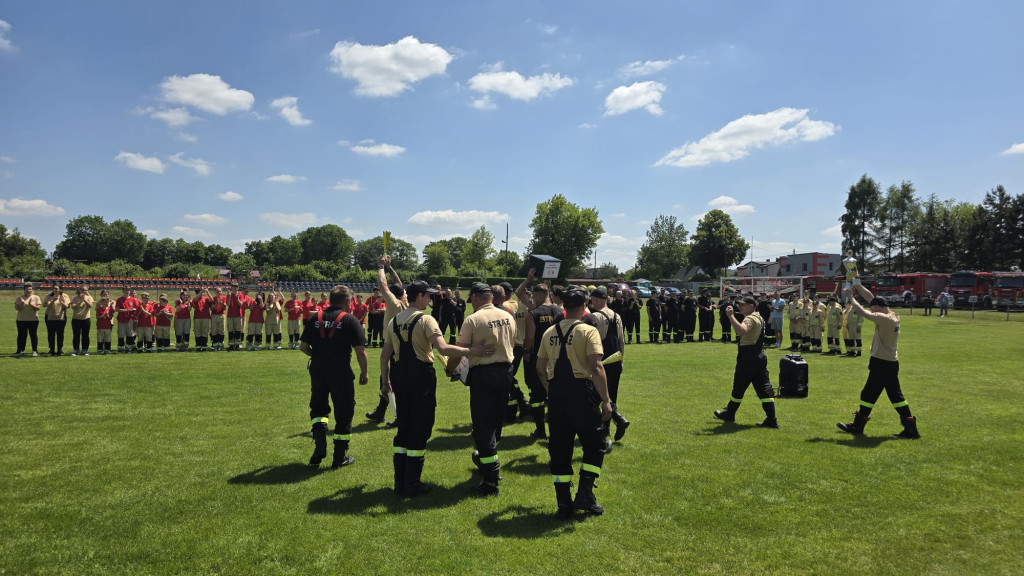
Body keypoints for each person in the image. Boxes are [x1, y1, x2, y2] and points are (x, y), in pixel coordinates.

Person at [380, 281, 491, 497]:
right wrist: (472, 350)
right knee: (421, 426)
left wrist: (385, 383)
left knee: (404, 425)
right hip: (420, 375)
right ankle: (412, 483)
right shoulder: (426, 320)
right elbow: (443, 348)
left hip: (399, 375)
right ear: (419, 296)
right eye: (428, 296)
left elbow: (385, 356)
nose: (430, 300)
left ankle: (399, 482)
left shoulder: (394, 320)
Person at [535, 286, 613, 519]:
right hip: (582, 392)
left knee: (559, 449)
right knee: (594, 444)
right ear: (583, 306)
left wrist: (551, 387)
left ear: (564, 306)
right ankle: (585, 495)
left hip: (557, 394)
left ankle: (563, 504)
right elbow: (596, 367)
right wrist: (607, 401)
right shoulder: (588, 331)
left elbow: (540, 368)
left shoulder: (549, 332)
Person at [447, 283, 516, 496]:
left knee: (483, 425)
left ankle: (490, 481)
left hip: (483, 375)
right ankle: (488, 463)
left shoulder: (473, 319)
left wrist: (450, 369)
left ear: (476, 298)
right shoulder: (508, 316)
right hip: (506, 372)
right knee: (496, 422)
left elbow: (458, 351)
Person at [837, 284, 920, 439]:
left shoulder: (884, 319)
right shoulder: (893, 315)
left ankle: (857, 425)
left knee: (868, 394)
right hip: (890, 363)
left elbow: (863, 312)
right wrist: (857, 284)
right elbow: (871, 298)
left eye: (873, 308)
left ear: (878, 307)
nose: (872, 310)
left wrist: (851, 298)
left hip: (881, 363)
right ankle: (910, 428)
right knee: (896, 397)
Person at [300, 285, 369, 468]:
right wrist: (364, 372)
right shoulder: (350, 320)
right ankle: (339, 457)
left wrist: (317, 355)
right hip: (340, 372)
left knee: (319, 410)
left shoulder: (315, 317)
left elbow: (303, 347)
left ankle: (320, 444)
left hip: (318, 370)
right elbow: (361, 351)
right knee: (344, 412)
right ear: (347, 301)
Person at [713, 296, 779, 428]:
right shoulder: (759, 316)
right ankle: (772, 419)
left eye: (743, 305)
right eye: (739, 304)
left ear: (751, 306)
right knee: (764, 388)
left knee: (739, 386)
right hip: (759, 355)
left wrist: (731, 316)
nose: (739, 306)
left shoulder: (750, 318)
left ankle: (730, 414)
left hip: (748, 356)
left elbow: (741, 330)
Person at [366, 256, 408, 426]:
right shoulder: (404, 300)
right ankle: (381, 411)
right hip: (401, 346)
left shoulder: (395, 304)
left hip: (393, 346)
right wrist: (390, 268)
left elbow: (383, 286)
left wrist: (381, 266)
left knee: (391, 380)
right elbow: (398, 284)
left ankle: (399, 416)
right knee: (386, 378)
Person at [589, 287, 629, 444]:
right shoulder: (617, 316)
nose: (591, 302)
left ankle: (609, 425)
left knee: (596, 395)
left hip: (602, 361)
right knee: (611, 394)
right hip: (616, 359)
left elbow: (594, 342)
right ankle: (608, 428)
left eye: (592, 300)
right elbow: (622, 340)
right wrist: (622, 360)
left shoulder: (595, 317)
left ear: (598, 300)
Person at [523, 282, 563, 439]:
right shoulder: (561, 311)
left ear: (539, 295)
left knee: (537, 395)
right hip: (558, 358)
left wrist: (527, 352)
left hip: (538, 358)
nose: (533, 300)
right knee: (557, 393)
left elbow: (529, 338)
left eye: (533, 297)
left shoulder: (533, 313)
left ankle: (540, 429)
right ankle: (558, 428)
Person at [14, 282, 42, 357]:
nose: (28, 290)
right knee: (22, 336)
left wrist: (31, 304)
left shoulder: (36, 297)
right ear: (24, 290)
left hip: (33, 320)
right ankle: (22, 350)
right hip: (21, 320)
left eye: (30, 289)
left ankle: (34, 351)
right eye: (26, 289)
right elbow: (18, 309)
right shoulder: (19, 298)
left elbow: (38, 308)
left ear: (32, 290)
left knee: (33, 335)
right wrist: (22, 303)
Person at [44, 283, 71, 356]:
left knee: (60, 334)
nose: (54, 290)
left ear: (60, 290)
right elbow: (44, 305)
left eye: (56, 288)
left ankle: (60, 349)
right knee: (50, 334)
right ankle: (51, 350)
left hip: (61, 318)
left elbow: (67, 307)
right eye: (53, 288)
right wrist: (53, 301)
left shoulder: (65, 296)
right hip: (50, 318)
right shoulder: (49, 296)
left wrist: (61, 301)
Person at [69, 285, 95, 356]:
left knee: (85, 335)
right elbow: (73, 307)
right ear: (79, 290)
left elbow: (90, 306)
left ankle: (85, 350)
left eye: (85, 290)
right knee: (76, 335)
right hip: (76, 319)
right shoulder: (74, 298)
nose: (84, 291)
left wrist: (84, 300)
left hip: (86, 319)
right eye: (82, 290)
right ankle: (76, 349)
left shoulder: (89, 297)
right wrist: (79, 302)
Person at [209, 287, 228, 351]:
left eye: (220, 291)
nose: (219, 292)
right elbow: (211, 308)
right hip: (214, 315)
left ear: (222, 292)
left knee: (221, 330)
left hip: (221, 315)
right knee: (214, 330)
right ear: (215, 292)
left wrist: (221, 303)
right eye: (217, 291)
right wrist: (216, 304)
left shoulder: (224, 298)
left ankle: (221, 345)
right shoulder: (213, 299)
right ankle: (215, 345)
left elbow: (225, 307)